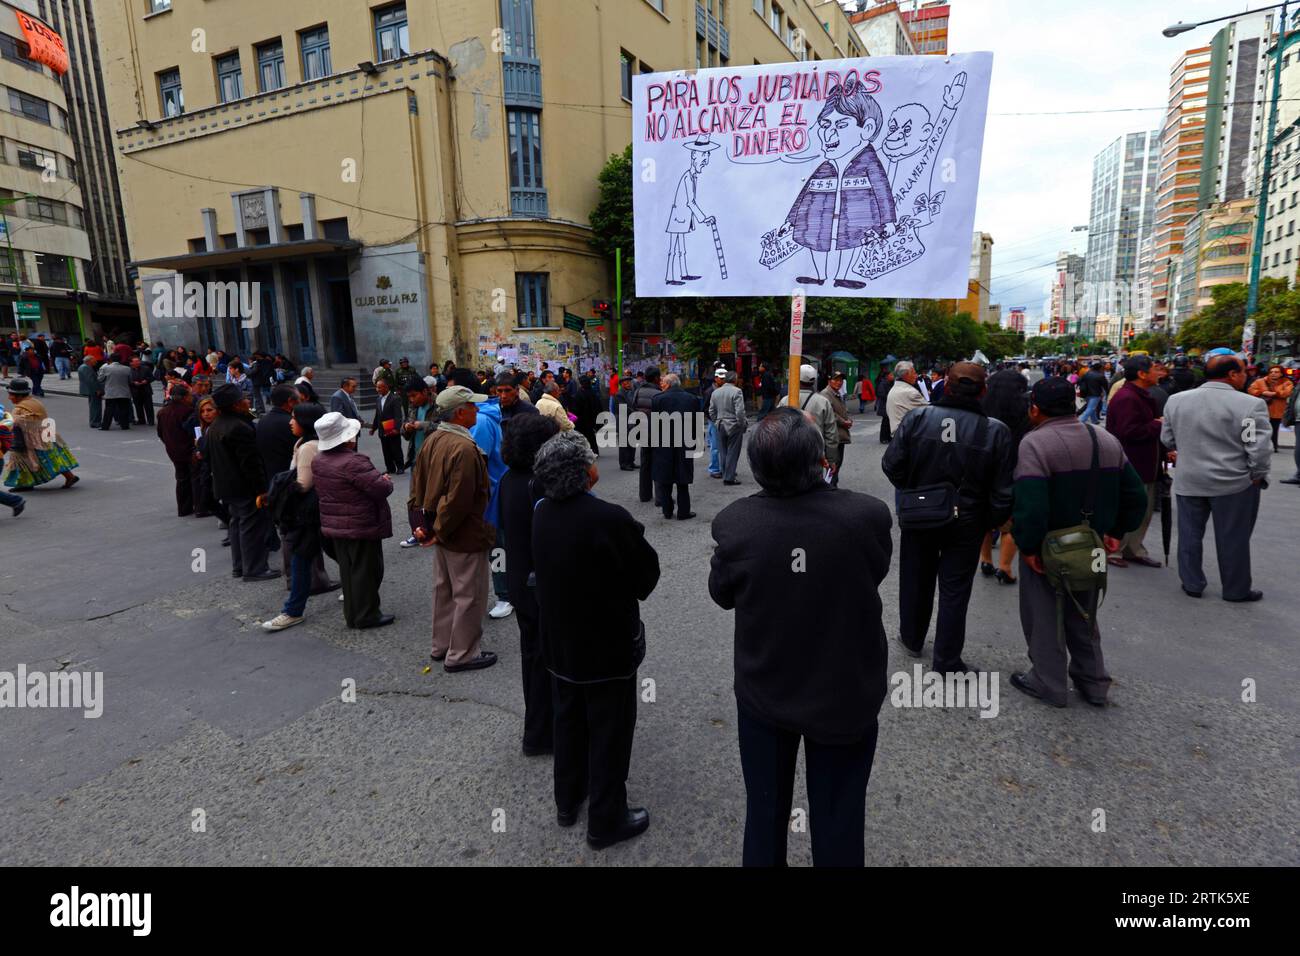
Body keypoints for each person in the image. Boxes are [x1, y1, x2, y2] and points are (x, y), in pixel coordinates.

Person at [710, 408, 892, 866]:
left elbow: (722, 594)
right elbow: (875, 571)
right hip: (844, 693)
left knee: (765, 811)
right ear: (820, 461)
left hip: (766, 690)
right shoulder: (866, 516)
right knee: (840, 818)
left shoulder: (736, 524)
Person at [532, 431, 660, 849]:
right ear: (582, 472)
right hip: (606, 648)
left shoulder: (542, 512)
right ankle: (606, 819)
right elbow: (646, 577)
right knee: (610, 729)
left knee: (568, 718)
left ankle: (567, 800)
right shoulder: (608, 518)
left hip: (559, 645)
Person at [1009, 377, 1148, 707]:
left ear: (1035, 409)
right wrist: (1117, 530)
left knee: (1043, 613)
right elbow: (1136, 495)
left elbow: (1031, 504)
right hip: (1094, 545)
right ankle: (1094, 682)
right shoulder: (1105, 439)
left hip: (1050, 549)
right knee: (1086, 613)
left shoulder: (1035, 444)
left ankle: (1049, 682)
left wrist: (1028, 547)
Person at [881, 362, 1014, 674]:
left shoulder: (918, 418)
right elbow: (1003, 491)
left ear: (947, 387)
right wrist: (990, 521)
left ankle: (912, 638)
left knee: (915, 578)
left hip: (921, 515)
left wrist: (913, 491)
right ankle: (947, 659)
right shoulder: (995, 431)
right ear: (983, 390)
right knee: (955, 590)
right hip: (968, 522)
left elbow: (892, 465)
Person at [1161, 355, 1271, 602]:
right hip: (1233, 482)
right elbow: (1256, 446)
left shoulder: (1176, 401)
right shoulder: (1249, 405)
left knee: (1189, 535)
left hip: (1189, 478)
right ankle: (1235, 589)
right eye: (1243, 371)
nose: (1246, 376)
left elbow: (1167, 439)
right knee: (1233, 538)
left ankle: (1192, 583)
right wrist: (1257, 474)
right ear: (1232, 374)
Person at [408, 385, 498, 670]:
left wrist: (421, 524)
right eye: (472, 405)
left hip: (442, 528)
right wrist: (438, 530)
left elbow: (416, 485)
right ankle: (462, 654)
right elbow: (458, 500)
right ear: (460, 413)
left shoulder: (434, 438)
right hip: (462, 531)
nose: (476, 409)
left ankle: (442, 645)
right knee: (468, 594)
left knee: (444, 590)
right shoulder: (464, 447)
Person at [499, 413, 561, 754]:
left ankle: (538, 730)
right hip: (540, 584)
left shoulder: (511, 478)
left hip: (521, 579)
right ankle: (544, 732)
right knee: (546, 659)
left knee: (533, 656)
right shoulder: (536, 483)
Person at [312, 411, 395, 627]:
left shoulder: (319, 460)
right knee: (366, 570)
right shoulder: (354, 462)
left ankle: (353, 613)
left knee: (349, 571)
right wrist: (384, 479)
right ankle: (367, 615)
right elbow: (382, 488)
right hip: (360, 523)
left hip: (335, 522)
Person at [261, 403, 334, 631]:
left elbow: (303, 485)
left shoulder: (307, 447)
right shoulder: (305, 443)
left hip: (308, 514)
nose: (290, 422)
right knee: (336, 551)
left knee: (301, 560)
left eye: (294, 418)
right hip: (318, 511)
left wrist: (280, 489)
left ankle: (292, 611)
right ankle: (361, 588)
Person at [208, 383, 279, 582]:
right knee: (251, 526)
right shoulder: (238, 427)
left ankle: (240, 566)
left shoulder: (217, 425)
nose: (248, 402)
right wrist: (261, 490)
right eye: (244, 399)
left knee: (237, 524)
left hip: (227, 486)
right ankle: (254, 568)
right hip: (243, 486)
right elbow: (251, 464)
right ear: (236, 405)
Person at [1104, 356, 1164, 569]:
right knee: (1129, 507)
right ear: (1142, 374)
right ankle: (1115, 549)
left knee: (1143, 510)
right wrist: (1157, 425)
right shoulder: (1128, 398)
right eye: (1156, 369)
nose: (1161, 373)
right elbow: (1128, 432)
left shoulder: (1142, 395)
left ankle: (1133, 549)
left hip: (1146, 462)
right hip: (1132, 463)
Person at [978, 366, 1030, 584]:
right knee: (1012, 520)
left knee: (984, 517)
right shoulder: (1026, 408)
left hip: (985, 467)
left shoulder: (981, 406)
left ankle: (985, 559)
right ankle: (1005, 567)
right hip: (1016, 467)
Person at [1, 379, 80, 491]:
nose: (9, 398)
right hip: (46, 434)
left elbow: (17, 423)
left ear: (18, 395)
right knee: (52, 457)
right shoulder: (33, 401)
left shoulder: (20, 408)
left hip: (34, 439)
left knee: (23, 459)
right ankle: (70, 477)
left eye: (11, 395)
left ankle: (25, 484)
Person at [652, 373, 699, 519]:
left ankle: (667, 511)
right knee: (682, 479)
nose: (661, 385)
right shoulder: (692, 399)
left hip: (663, 442)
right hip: (685, 442)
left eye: (663, 383)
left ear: (669, 384)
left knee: (665, 478)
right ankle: (683, 512)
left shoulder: (658, 399)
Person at [778, 365, 838, 472]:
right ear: (814, 381)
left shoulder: (785, 401)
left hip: (789, 452)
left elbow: (777, 429)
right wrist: (831, 459)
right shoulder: (823, 402)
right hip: (815, 453)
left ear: (796, 378)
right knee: (813, 485)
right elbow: (831, 434)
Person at [156, 384, 196, 517]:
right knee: (194, 478)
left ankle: (184, 508)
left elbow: (160, 433)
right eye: (190, 395)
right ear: (184, 398)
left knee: (181, 478)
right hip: (189, 449)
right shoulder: (188, 411)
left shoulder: (163, 412)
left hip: (173, 450)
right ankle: (198, 506)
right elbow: (192, 432)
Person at [710, 369, 748, 486]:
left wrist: (716, 421)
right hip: (734, 424)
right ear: (735, 380)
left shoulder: (716, 392)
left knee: (723, 451)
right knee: (733, 451)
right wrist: (742, 424)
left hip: (720, 424)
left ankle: (726, 473)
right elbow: (740, 412)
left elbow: (711, 411)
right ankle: (729, 477)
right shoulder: (737, 391)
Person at [1248, 365, 1294, 454]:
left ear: (1281, 374)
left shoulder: (1287, 382)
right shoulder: (1260, 381)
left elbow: (1286, 393)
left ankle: (1273, 446)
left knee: (1274, 430)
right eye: (1271, 372)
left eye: (1276, 372)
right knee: (1260, 429)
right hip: (1262, 410)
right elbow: (1251, 390)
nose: (1273, 374)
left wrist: (1274, 393)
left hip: (1277, 411)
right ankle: (1259, 446)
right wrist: (1262, 392)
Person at [821, 369, 852, 487]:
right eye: (836, 380)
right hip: (832, 435)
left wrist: (848, 420)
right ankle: (830, 487)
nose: (839, 383)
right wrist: (844, 422)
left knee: (837, 463)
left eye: (841, 380)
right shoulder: (825, 394)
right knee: (832, 463)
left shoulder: (837, 393)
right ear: (829, 381)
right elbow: (830, 414)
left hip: (839, 434)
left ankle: (833, 485)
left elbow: (842, 410)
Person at [369, 378, 405, 475]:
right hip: (382, 428)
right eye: (377, 387)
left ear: (386, 387)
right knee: (386, 449)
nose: (378, 389)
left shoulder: (395, 398)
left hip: (391, 426)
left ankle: (400, 467)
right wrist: (373, 428)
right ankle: (390, 468)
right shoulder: (378, 399)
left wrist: (397, 428)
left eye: (380, 387)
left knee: (395, 448)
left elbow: (398, 415)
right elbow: (377, 415)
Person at [885, 360, 928, 434]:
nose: (916, 376)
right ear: (906, 375)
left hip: (898, 434)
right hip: (908, 436)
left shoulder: (894, 389)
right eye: (914, 373)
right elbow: (928, 411)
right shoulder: (910, 392)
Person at [98, 355, 134, 431]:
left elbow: (100, 379)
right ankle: (125, 426)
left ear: (111, 359)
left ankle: (105, 426)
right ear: (120, 360)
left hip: (111, 392)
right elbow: (130, 380)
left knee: (109, 410)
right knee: (123, 409)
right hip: (124, 392)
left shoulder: (105, 368)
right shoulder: (127, 368)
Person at [702, 368, 725, 478]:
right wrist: (713, 419)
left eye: (724, 378)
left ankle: (724, 467)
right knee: (715, 447)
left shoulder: (724, 390)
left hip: (724, 420)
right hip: (714, 421)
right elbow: (705, 408)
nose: (723, 380)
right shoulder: (710, 391)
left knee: (725, 447)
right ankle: (715, 469)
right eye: (721, 378)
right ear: (716, 378)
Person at [611, 377, 637, 471]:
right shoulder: (619, 394)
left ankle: (631, 461)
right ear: (622, 384)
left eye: (629, 382)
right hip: (623, 419)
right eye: (626, 383)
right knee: (624, 443)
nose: (629, 384)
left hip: (631, 419)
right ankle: (624, 463)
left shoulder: (633, 392)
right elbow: (624, 408)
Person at [78, 354, 103, 429]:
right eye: (94, 360)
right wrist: (97, 390)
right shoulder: (86, 368)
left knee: (94, 406)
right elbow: (90, 381)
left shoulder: (84, 367)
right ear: (89, 361)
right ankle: (95, 422)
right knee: (95, 407)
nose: (96, 361)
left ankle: (95, 421)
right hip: (92, 390)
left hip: (90, 390)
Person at [874, 366, 895, 442]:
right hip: (884, 406)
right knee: (885, 423)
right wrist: (891, 397)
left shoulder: (890, 383)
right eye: (891, 375)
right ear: (887, 376)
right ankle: (883, 438)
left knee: (889, 422)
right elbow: (881, 394)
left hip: (889, 405)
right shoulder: (882, 384)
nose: (893, 376)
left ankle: (888, 437)